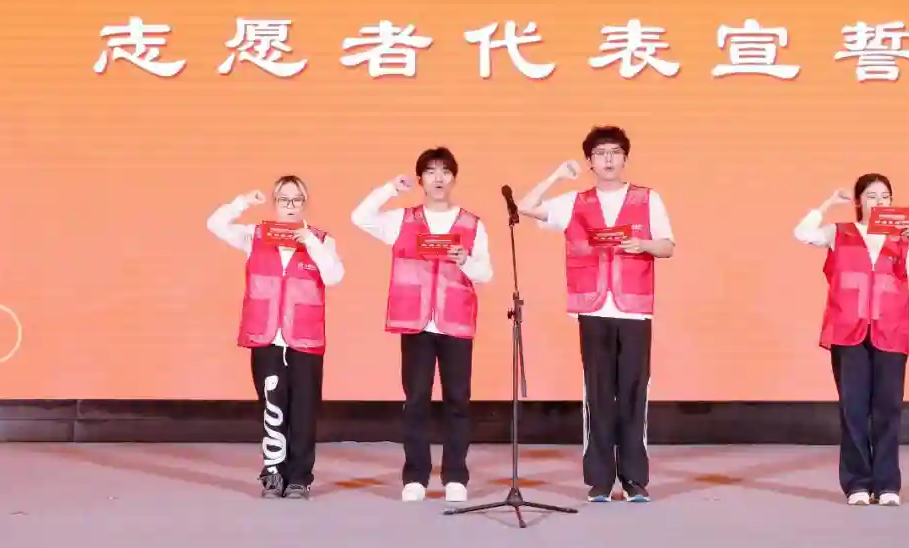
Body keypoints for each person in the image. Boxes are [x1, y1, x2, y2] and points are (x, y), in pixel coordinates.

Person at [517, 125, 675, 503]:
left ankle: (634, 480)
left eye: (615, 152)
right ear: (590, 161)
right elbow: (526, 206)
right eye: (601, 153)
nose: (608, 159)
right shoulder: (575, 201)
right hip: (592, 306)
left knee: (634, 393)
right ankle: (600, 480)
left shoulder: (647, 198)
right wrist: (557, 175)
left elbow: (667, 246)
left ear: (625, 158)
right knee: (599, 394)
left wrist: (643, 244)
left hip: (634, 309)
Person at [351, 147, 493, 503]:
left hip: (455, 321)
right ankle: (415, 476)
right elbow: (360, 217)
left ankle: (455, 476)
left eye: (445, 171)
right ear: (420, 180)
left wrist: (466, 261)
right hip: (415, 321)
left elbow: (485, 273)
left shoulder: (472, 223)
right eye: (430, 172)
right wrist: (389, 189)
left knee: (457, 400)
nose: (438, 178)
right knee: (416, 400)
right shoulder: (402, 219)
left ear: (454, 178)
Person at [794, 173, 909, 507]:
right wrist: (828, 203)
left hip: (890, 331)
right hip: (848, 329)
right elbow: (802, 233)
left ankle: (887, 485)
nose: (879, 202)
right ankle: (857, 483)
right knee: (853, 409)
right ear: (859, 202)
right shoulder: (839, 233)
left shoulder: (901, 238)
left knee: (888, 408)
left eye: (885, 197)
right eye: (871, 196)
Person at [207, 175, 345, 499]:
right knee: (272, 407)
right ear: (275, 203)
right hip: (266, 335)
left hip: (305, 338)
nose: (290, 206)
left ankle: (299, 478)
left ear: (305, 203)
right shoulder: (255, 236)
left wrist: (310, 242)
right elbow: (215, 224)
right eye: (284, 199)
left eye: (296, 200)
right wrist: (242, 202)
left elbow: (334, 276)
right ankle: (273, 473)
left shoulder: (321, 240)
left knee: (304, 410)